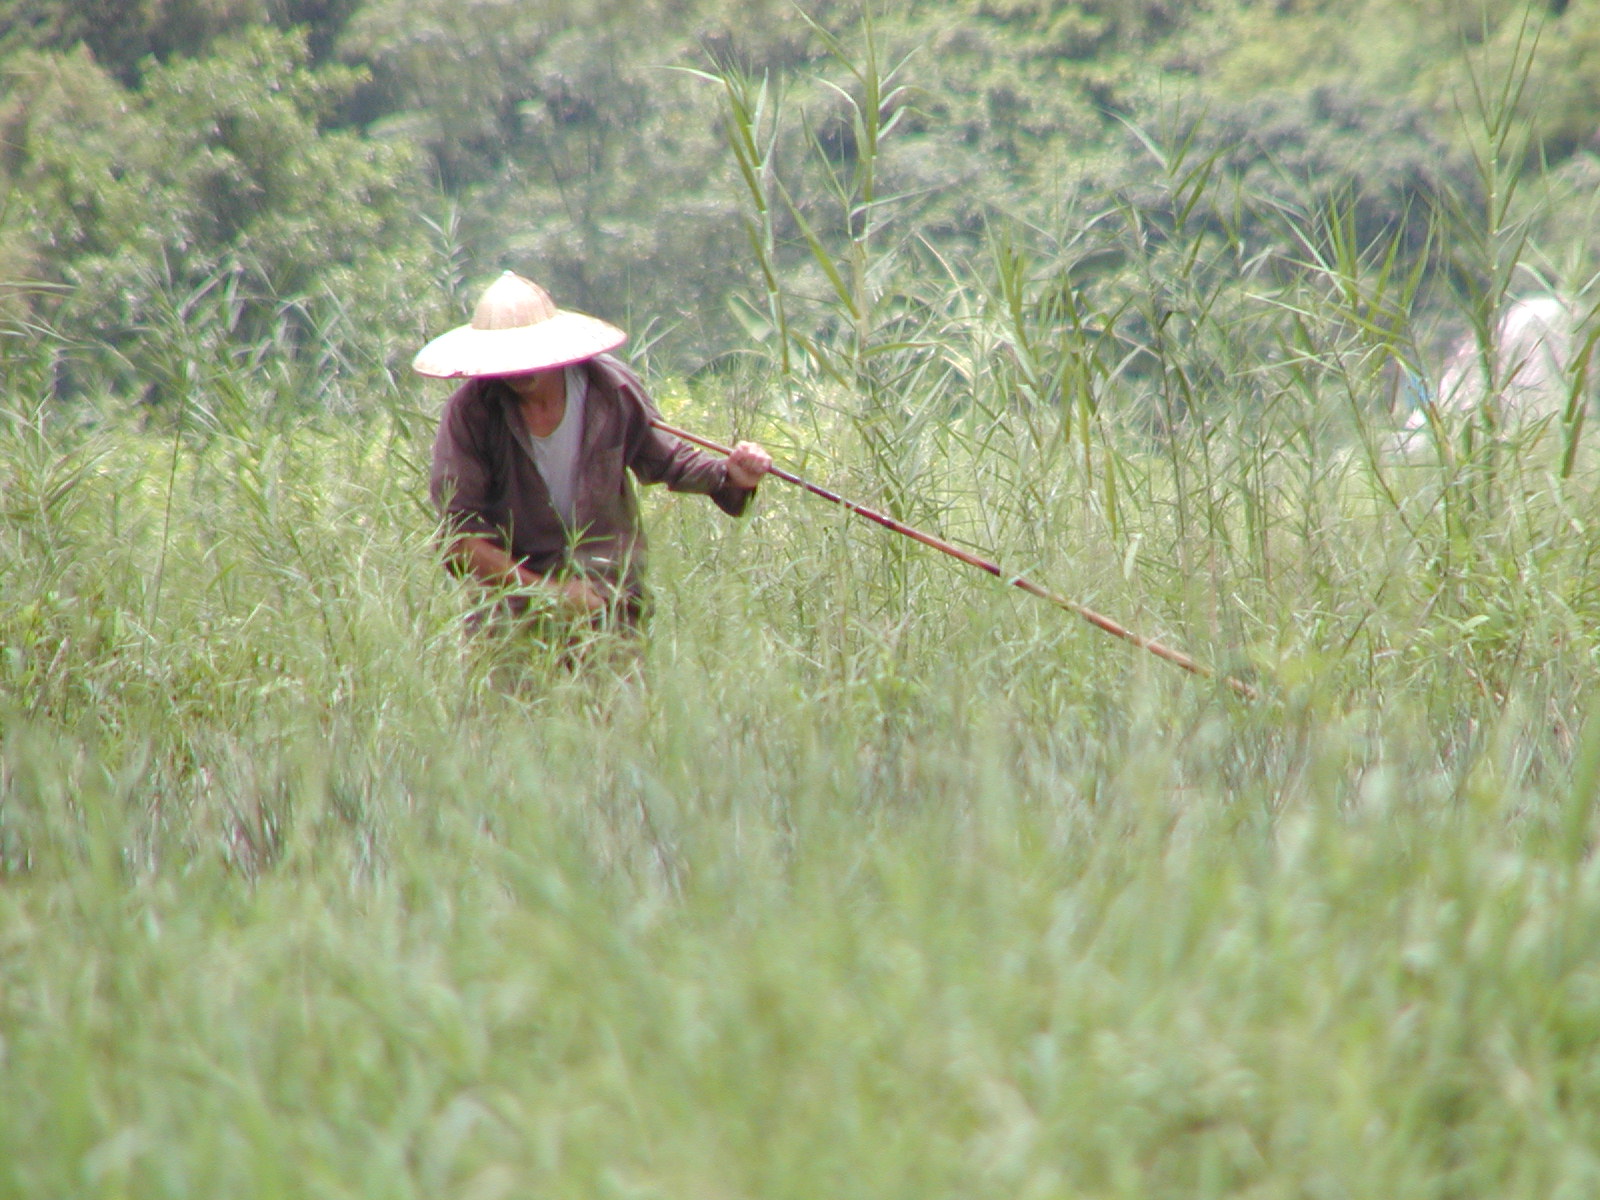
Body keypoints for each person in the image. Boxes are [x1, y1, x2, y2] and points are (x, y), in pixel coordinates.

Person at [415, 270, 771, 630]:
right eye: (504, 356)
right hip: (512, 616)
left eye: (525, 352)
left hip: (611, 603)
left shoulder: (609, 389)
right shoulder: (472, 412)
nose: (516, 368)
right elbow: (460, 537)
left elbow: (668, 458)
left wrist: (731, 476)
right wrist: (550, 595)